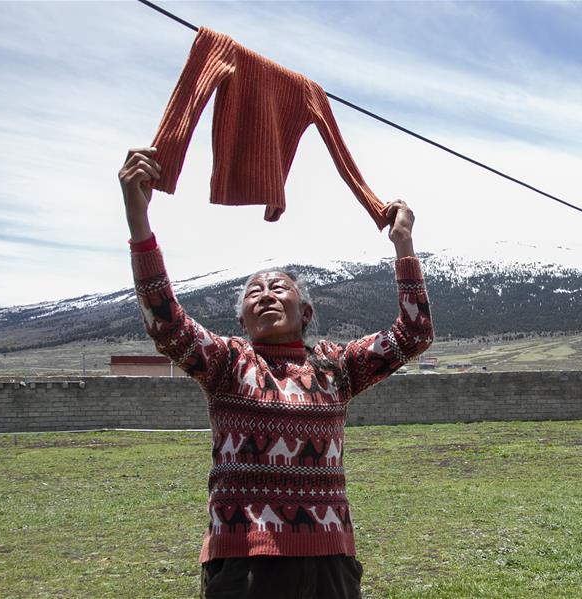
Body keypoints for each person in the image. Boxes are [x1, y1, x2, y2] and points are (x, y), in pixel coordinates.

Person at [119, 147, 434, 599]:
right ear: (242, 320)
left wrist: (403, 245)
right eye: (254, 292)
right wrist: (138, 218)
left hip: (328, 561)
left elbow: (414, 333)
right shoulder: (228, 363)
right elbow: (166, 322)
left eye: (278, 287)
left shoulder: (335, 366)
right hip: (244, 562)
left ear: (304, 312)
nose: (265, 295)